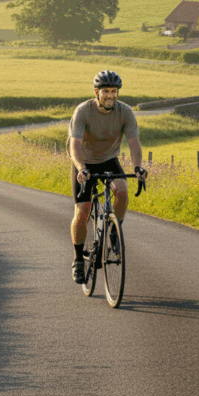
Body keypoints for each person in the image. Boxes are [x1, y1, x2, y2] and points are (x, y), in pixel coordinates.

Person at [67, 69, 147, 284]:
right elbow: (74, 145)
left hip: (109, 159)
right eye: (106, 92)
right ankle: (78, 259)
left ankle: (113, 230)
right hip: (83, 161)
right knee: (82, 211)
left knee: (122, 189)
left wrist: (138, 167)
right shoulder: (83, 111)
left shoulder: (125, 112)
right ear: (97, 92)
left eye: (114, 91)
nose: (111, 95)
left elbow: (134, 143)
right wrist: (81, 168)